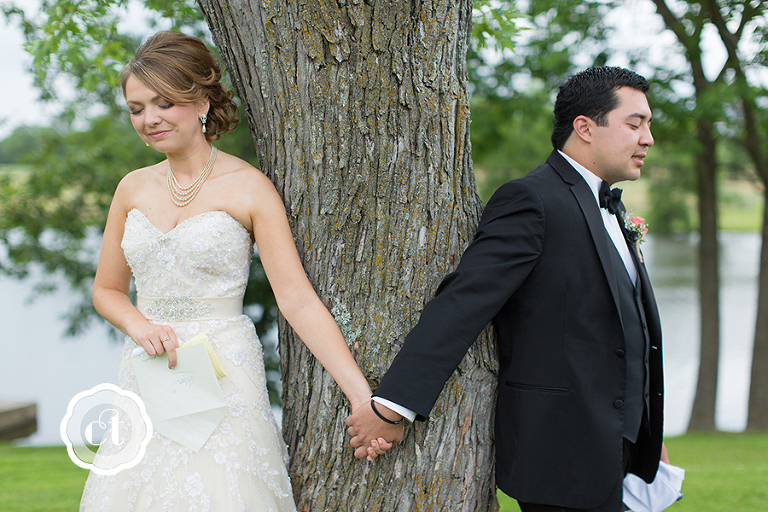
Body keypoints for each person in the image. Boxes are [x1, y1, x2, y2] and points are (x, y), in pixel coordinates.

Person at [80, 30, 387, 511]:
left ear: (201, 101)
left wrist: (361, 395)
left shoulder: (249, 187)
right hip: (148, 370)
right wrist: (138, 324)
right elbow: (107, 289)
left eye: (164, 103)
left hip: (224, 370)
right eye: (137, 108)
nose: (150, 119)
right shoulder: (131, 189)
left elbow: (297, 300)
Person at [346, 66, 670, 511]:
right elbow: (463, 303)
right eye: (635, 124)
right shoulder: (531, 200)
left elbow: (620, 330)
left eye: (648, 125)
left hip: (618, 446)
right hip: (561, 458)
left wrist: (646, 428)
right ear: (585, 128)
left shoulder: (610, 208)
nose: (648, 138)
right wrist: (393, 406)